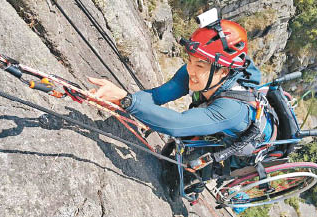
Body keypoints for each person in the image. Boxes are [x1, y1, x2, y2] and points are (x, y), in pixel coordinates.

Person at [87, 19, 274, 201]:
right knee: (182, 142)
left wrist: (126, 101)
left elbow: (178, 124)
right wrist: (128, 101)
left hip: (235, 147)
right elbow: (158, 96)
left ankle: (195, 184)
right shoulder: (206, 71)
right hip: (213, 120)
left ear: (223, 72)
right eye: (190, 60)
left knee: (184, 174)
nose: (190, 70)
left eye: (199, 65)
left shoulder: (232, 109)